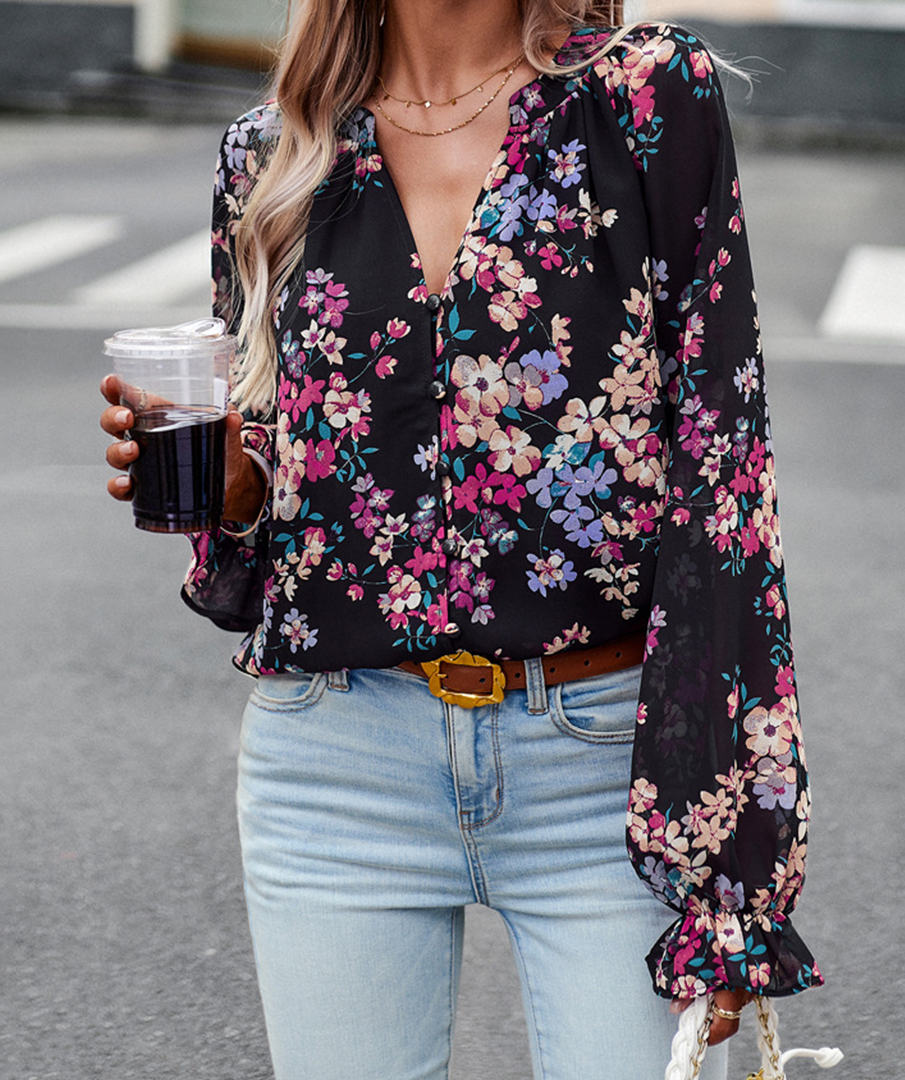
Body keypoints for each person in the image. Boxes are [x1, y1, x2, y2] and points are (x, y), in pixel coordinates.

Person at [100, 2, 822, 1077]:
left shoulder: (643, 95)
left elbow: (722, 476)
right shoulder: (271, 157)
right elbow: (253, 559)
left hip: (600, 767)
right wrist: (239, 490)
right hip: (336, 766)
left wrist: (733, 864)